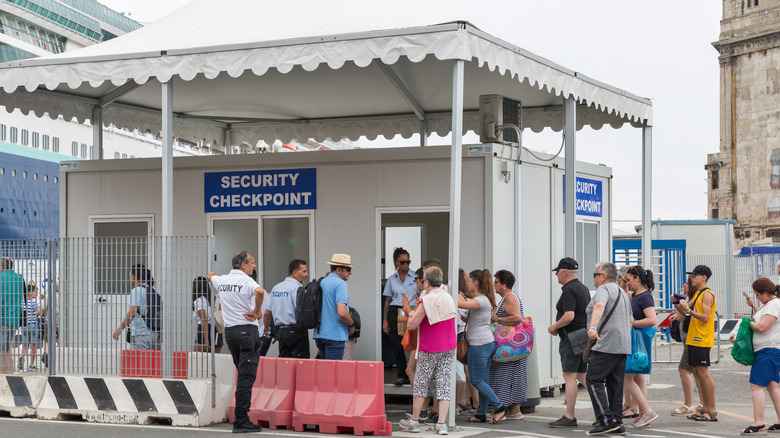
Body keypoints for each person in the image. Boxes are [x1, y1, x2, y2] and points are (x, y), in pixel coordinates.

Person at [207, 250, 265, 433]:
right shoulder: (247, 281)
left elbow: (210, 276)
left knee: (242, 373)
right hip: (247, 331)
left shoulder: (223, 280)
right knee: (246, 377)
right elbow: (260, 291)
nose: (254, 266)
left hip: (230, 333)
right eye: (252, 263)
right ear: (243, 265)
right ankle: (241, 419)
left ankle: (241, 417)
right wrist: (256, 311)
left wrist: (215, 277)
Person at [399, 266, 458, 435]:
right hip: (449, 346)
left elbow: (412, 323)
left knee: (421, 383)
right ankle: (441, 424)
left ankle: (415, 421)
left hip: (430, 347)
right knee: (444, 384)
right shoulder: (448, 297)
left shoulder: (427, 299)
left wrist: (409, 316)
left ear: (426, 282)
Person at [585, 261, 632, 435]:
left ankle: (605, 419)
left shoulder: (604, 290)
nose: (594, 278)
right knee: (615, 384)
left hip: (606, 344)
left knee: (593, 379)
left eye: (595, 275)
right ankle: (616, 421)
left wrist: (593, 327)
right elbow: (630, 320)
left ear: (603, 277)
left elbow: (599, 306)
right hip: (622, 345)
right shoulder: (622, 293)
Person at [458, 269, 508, 424]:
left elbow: (461, 303)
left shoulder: (481, 300)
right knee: (482, 381)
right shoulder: (483, 300)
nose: (467, 284)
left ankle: (499, 407)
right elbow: (478, 319)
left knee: (476, 380)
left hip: (480, 345)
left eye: (469, 281)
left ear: (475, 283)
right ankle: (481, 414)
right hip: (486, 343)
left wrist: (452, 291)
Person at [547, 257, 590, 428]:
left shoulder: (568, 290)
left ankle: (569, 416)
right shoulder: (583, 288)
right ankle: (604, 409)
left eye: (557, 272)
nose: (556, 275)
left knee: (569, 376)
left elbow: (569, 316)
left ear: (564, 272)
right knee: (582, 375)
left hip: (571, 337)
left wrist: (554, 327)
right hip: (583, 336)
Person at [675, 264, 717, 422]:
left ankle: (711, 410)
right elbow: (684, 312)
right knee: (698, 373)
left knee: (704, 373)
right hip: (693, 338)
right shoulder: (698, 294)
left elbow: (705, 317)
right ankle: (704, 407)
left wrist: (688, 310)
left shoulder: (707, 294)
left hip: (701, 338)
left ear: (703, 277)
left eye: (694, 275)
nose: (691, 278)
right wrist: (677, 303)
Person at [740, 278, 780, 435]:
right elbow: (765, 318)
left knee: (756, 385)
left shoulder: (774, 304)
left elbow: (762, 326)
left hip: (767, 350)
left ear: (765, 293)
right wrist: (755, 307)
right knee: (772, 385)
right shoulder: (771, 304)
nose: (756, 298)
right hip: (771, 350)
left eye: (757, 295)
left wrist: (747, 322)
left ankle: (758, 423)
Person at [622, 265, 658, 427]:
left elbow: (652, 320)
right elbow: (622, 292)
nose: (627, 283)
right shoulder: (636, 294)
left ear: (638, 279)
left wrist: (633, 323)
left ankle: (647, 411)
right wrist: (623, 280)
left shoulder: (645, 297)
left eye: (629, 280)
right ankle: (645, 414)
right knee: (639, 378)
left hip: (638, 342)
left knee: (627, 377)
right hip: (638, 342)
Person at [488, 269, 527, 420]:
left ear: (504, 284)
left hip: (508, 347)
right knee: (514, 376)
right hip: (515, 346)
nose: (494, 285)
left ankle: (501, 410)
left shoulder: (509, 297)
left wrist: (497, 319)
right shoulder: (508, 297)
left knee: (502, 376)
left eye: (496, 282)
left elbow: (516, 318)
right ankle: (514, 410)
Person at [383, 248, 417, 386]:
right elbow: (388, 301)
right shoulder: (391, 279)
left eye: (408, 262)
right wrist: (385, 319)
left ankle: (413, 372)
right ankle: (402, 374)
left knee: (412, 343)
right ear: (397, 262)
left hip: (412, 310)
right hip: (395, 311)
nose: (405, 265)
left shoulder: (415, 277)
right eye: (402, 262)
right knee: (397, 344)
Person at [264, 259, 310, 358]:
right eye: (304, 271)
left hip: (281, 333)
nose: (306, 274)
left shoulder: (276, 288)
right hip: (296, 331)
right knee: (301, 365)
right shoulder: (297, 289)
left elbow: (267, 312)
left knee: (284, 365)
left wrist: (266, 329)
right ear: (295, 273)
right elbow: (301, 312)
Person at [313, 253, 355, 360]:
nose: (350, 272)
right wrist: (351, 324)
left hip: (320, 335)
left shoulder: (321, 282)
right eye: (348, 269)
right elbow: (342, 312)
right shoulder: (340, 284)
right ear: (339, 270)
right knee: (333, 373)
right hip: (334, 335)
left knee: (325, 371)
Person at [669, 278, 701, 417]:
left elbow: (684, 316)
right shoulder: (690, 299)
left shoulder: (696, 298)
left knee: (684, 369)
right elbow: (682, 315)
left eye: (687, 283)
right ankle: (703, 403)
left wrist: (678, 304)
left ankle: (689, 404)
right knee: (697, 371)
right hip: (688, 337)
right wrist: (677, 304)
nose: (684, 285)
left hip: (693, 338)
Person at [112, 264, 159, 350]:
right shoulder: (155, 291)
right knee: (153, 363)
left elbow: (132, 313)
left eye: (130, 274)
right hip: (155, 335)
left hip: (141, 335)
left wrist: (119, 329)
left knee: (140, 363)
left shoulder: (136, 291)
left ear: (134, 276)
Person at [0, 257, 24, 374]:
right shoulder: (19, 279)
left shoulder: (1, 278)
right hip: (14, 318)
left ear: (2, 266)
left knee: (2, 350)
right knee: (9, 348)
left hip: (2, 318)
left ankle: (3, 372)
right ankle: (10, 371)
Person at [192, 276, 223, 353]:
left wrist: (206, 340)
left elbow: (204, 320)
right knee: (215, 360)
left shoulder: (199, 301)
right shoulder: (216, 299)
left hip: (204, 331)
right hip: (217, 331)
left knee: (199, 360)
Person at [19, 282, 42, 371]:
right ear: (29, 292)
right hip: (33, 325)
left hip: (24, 326)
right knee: (33, 345)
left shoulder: (22, 301)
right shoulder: (34, 301)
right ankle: (32, 364)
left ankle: (22, 358)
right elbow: (39, 312)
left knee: (25, 345)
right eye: (34, 292)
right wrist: (36, 314)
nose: (36, 294)